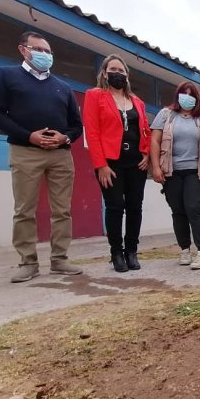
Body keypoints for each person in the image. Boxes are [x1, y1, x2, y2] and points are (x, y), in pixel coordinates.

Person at [0, 31, 83, 283]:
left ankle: (60, 259)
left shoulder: (63, 87)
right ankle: (28, 261)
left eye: (48, 52)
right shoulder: (5, 76)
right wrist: (28, 136)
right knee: (24, 210)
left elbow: (76, 125)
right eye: (38, 49)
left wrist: (65, 138)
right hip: (25, 151)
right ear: (23, 50)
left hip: (60, 155)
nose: (44, 55)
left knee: (62, 210)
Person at [83, 54, 151, 273]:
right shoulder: (95, 96)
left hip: (135, 163)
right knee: (114, 207)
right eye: (113, 69)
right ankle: (116, 252)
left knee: (135, 207)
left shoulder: (137, 102)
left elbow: (145, 131)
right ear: (104, 73)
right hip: (110, 163)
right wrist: (100, 164)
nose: (117, 73)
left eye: (121, 71)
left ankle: (132, 250)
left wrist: (147, 154)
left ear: (127, 75)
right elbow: (92, 133)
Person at [149, 82, 200, 270]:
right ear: (177, 96)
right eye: (183, 94)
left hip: (196, 171)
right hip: (172, 172)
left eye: (191, 95)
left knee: (194, 209)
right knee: (178, 211)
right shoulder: (166, 115)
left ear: (197, 99)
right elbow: (155, 141)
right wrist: (155, 167)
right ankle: (185, 249)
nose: (187, 98)